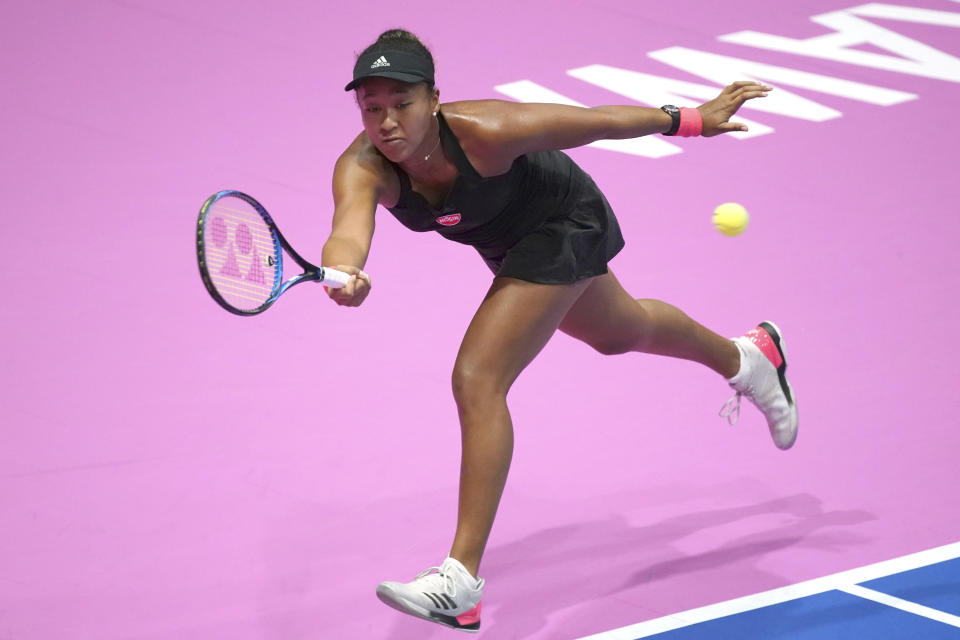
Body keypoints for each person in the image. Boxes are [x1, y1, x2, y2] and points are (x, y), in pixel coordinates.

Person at [322, 29, 798, 633]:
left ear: (434, 99)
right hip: (506, 244)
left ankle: (460, 581)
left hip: (564, 220)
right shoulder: (363, 167)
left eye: (402, 102)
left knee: (478, 379)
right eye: (372, 107)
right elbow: (347, 230)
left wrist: (692, 119)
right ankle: (749, 357)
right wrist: (347, 271)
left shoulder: (487, 132)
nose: (386, 121)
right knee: (619, 331)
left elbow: (592, 120)